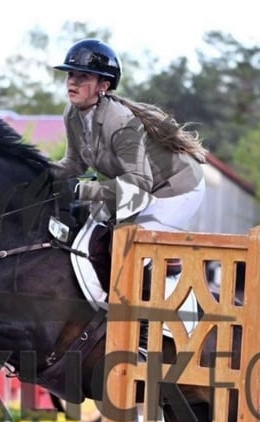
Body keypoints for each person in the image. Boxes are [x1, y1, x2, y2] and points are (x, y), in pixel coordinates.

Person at [51, 38, 208, 293]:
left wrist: (83, 192)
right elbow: (74, 163)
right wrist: (40, 173)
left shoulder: (121, 123)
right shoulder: (72, 115)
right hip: (143, 187)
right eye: (70, 74)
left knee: (128, 245)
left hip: (176, 189)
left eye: (83, 77)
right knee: (95, 236)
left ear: (103, 85)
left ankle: (149, 322)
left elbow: (140, 185)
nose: (72, 82)